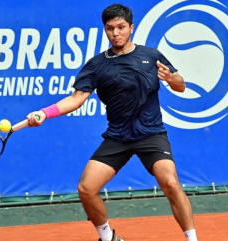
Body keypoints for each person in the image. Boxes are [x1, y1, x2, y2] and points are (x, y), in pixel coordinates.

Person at [27, 3, 198, 241]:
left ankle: (192, 239)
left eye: (121, 27)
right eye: (110, 28)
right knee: (86, 189)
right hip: (118, 137)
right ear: (105, 30)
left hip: (151, 134)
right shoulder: (97, 65)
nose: (115, 33)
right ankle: (108, 238)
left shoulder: (151, 55)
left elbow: (181, 85)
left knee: (170, 182)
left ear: (131, 28)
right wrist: (45, 112)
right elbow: (77, 99)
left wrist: (171, 78)